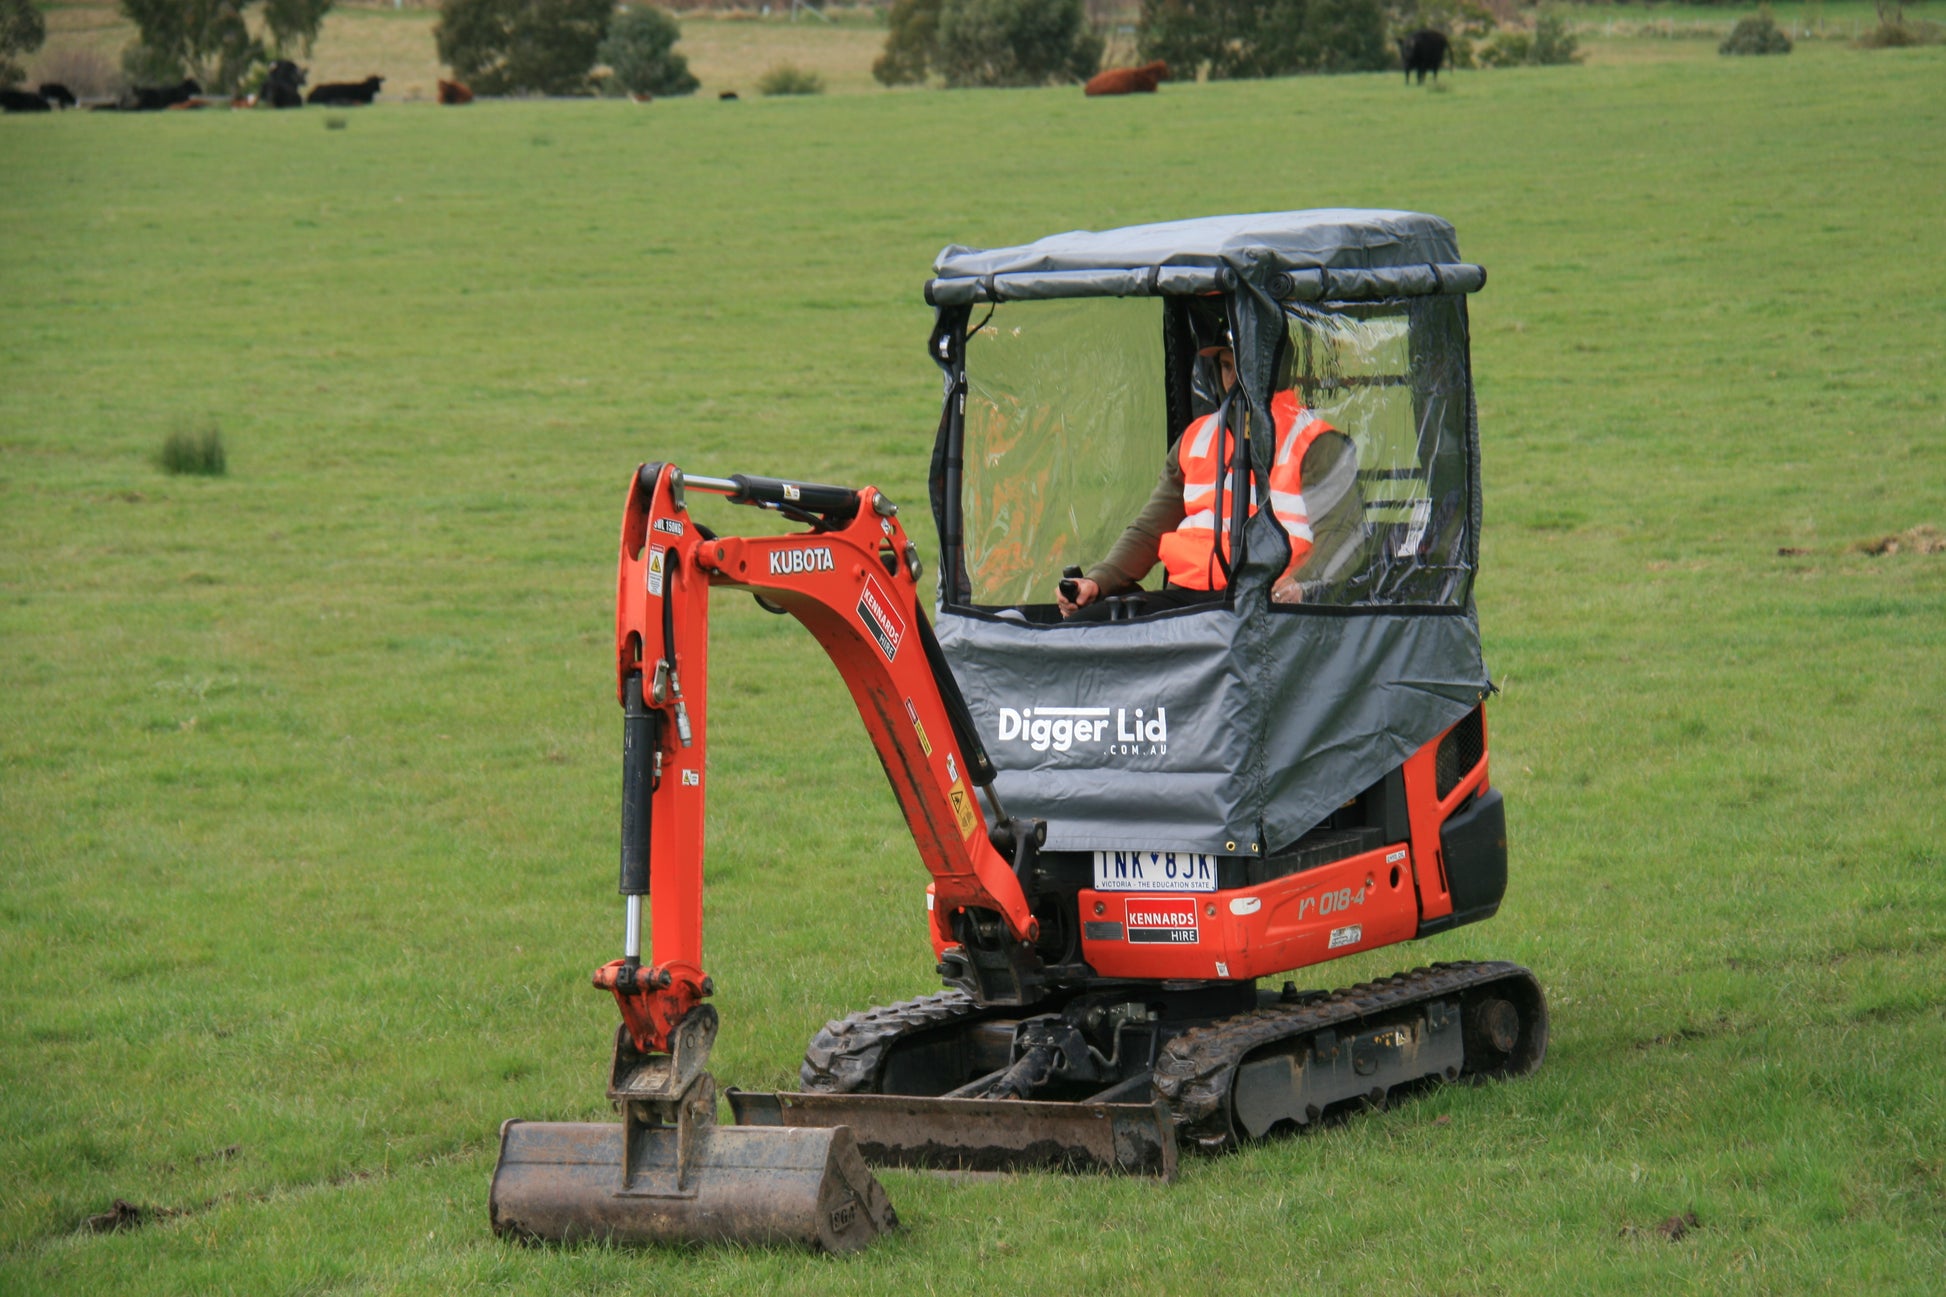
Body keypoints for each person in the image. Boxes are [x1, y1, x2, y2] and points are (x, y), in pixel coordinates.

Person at [1057, 316, 1366, 619]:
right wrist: (1097, 581)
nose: (1233, 378)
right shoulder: (1196, 438)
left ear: (1277, 368)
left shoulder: (1317, 443)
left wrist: (1301, 583)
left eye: (1243, 365)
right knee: (1090, 622)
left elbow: (1343, 535)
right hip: (1187, 599)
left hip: (1265, 605)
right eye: (1226, 366)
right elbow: (1150, 531)